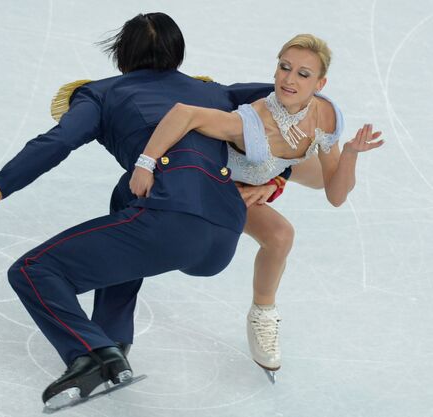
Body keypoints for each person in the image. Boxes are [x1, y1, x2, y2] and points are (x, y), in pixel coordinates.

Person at [0, 12, 290, 408]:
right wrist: (276, 179)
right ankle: (113, 337)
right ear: (178, 54)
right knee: (126, 194)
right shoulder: (219, 94)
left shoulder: (103, 93)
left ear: (121, 56)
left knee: (33, 271)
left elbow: (55, 144)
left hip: (169, 222)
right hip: (224, 234)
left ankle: (91, 354)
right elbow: (299, 111)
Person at [128, 33, 384, 377]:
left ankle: (262, 310)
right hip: (220, 182)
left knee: (322, 174)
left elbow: (337, 196)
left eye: (303, 74)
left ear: (320, 83)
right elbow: (183, 114)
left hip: (266, 171)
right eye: (284, 68)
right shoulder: (251, 122)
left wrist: (349, 154)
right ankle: (261, 312)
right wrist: (145, 164)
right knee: (280, 235)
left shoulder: (325, 114)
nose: (290, 79)